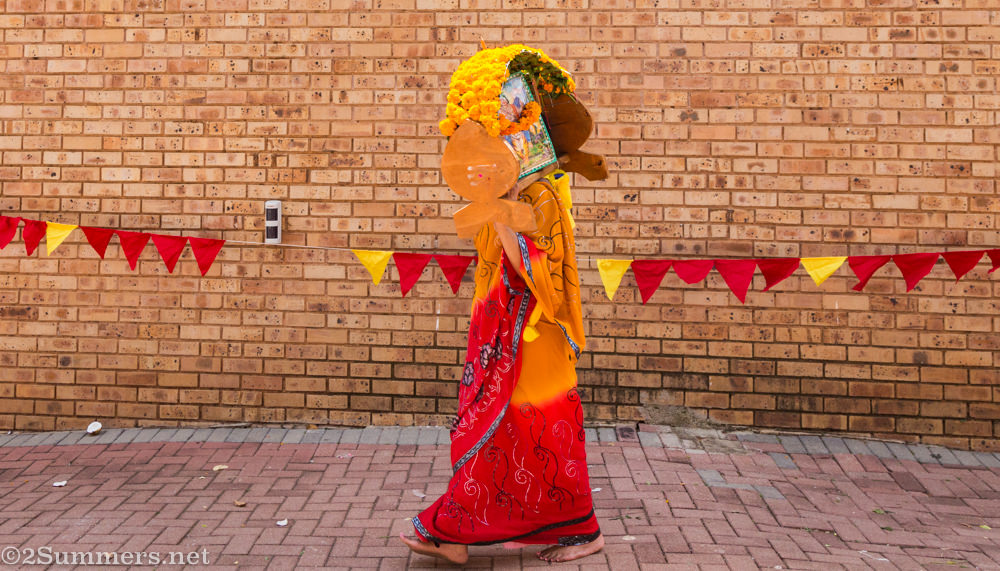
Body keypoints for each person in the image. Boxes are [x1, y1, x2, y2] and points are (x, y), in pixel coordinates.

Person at [400, 170, 604, 563]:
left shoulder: (543, 196)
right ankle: (458, 533)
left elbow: (538, 272)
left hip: (537, 339)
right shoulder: (500, 193)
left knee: (547, 434)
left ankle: (585, 532)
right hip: (498, 337)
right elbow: (487, 264)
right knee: (496, 434)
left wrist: (502, 211)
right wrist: (492, 205)